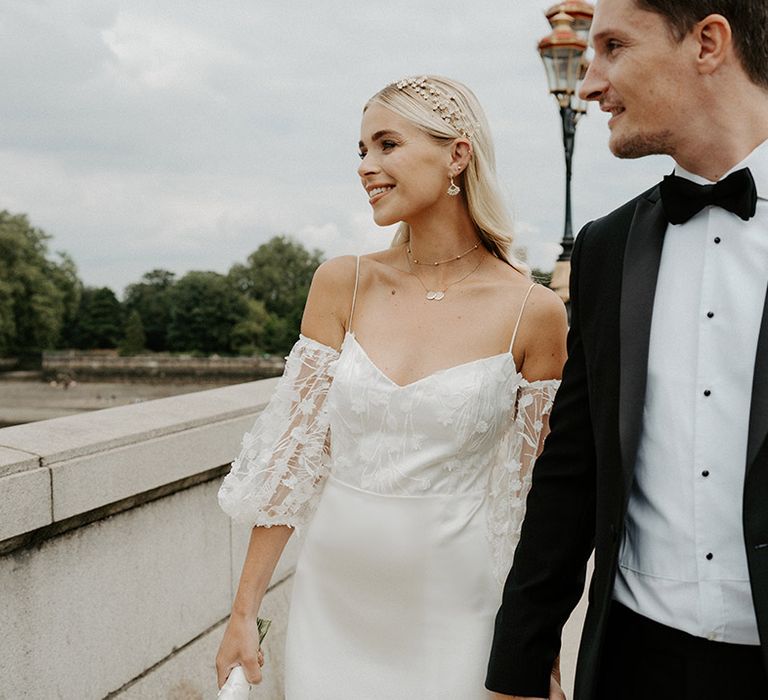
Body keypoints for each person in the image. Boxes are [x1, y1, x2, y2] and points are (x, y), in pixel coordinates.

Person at [214, 75, 567, 699]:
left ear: (457, 154)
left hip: (457, 608)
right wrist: (243, 613)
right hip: (334, 598)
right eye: (361, 151)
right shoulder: (342, 284)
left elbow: (532, 502)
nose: (366, 167)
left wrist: (536, 648)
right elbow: (291, 463)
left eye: (386, 145)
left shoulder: (532, 313)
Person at [486, 1, 768, 699]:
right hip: (632, 660)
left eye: (613, 47)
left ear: (708, 43)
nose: (590, 84)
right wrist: (521, 657)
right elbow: (571, 465)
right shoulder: (608, 247)